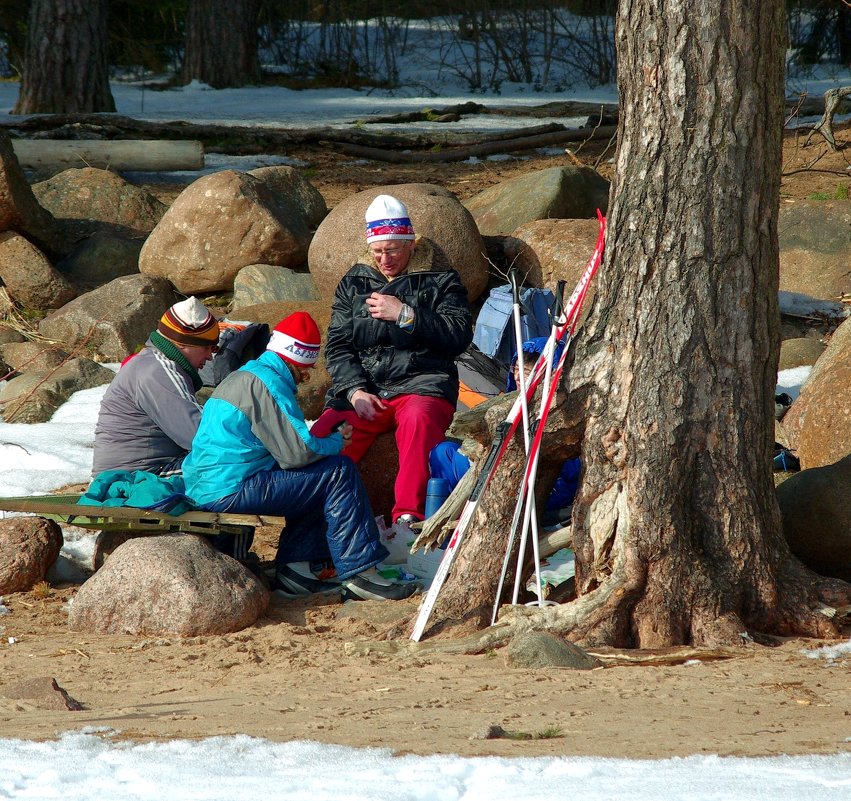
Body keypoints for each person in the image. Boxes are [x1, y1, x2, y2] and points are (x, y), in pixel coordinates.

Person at [181, 312, 419, 602]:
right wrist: (337, 441)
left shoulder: (244, 375)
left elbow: (286, 448)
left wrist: (322, 444)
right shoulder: (267, 382)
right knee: (337, 471)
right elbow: (295, 453)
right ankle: (361, 571)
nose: (305, 377)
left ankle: (298, 572)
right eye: (305, 370)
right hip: (230, 488)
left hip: (209, 485)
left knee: (314, 478)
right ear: (296, 360)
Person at [310, 194, 474, 533]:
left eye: (392, 250)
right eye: (377, 251)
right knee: (326, 433)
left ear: (410, 244)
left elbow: (458, 334)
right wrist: (354, 391)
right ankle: (313, 522)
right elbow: (338, 346)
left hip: (422, 384)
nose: (384, 259)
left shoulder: (441, 280)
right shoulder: (353, 282)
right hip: (366, 389)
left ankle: (408, 519)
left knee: (419, 421)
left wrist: (406, 315)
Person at [430, 336, 581, 527]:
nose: (518, 376)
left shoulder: (562, 408)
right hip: (496, 471)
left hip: (542, 484)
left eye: (526, 371)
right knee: (444, 452)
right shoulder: (506, 403)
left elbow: (571, 469)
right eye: (516, 369)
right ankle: (442, 527)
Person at [92, 296, 220, 478]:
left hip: (135, 471)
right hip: (137, 477)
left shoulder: (150, 361)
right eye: (207, 348)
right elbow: (199, 435)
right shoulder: (158, 371)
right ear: (182, 342)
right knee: (233, 464)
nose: (210, 357)